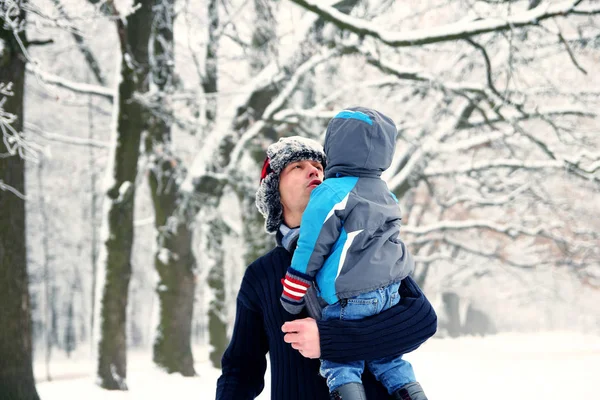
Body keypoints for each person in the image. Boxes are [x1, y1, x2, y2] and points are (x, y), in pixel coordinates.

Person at [215, 135, 437, 400]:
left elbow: (421, 320)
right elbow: (241, 368)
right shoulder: (261, 274)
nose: (313, 170)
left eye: (319, 167)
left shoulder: (365, 246)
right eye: (297, 166)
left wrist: (329, 339)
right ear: (275, 190)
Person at [280, 107, 428, 400]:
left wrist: (291, 295)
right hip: (391, 290)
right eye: (297, 167)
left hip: (352, 294)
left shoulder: (331, 192)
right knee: (389, 360)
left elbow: (311, 247)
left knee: (341, 363)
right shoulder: (384, 192)